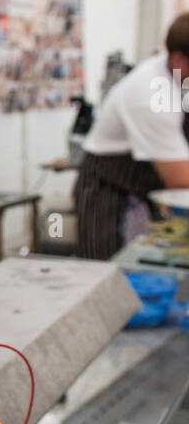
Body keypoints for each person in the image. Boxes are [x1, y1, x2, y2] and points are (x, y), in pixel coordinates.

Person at [74, 14, 189, 260]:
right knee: (107, 280)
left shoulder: (179, 74)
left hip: (148, 187)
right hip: (108, 193)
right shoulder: (152, 98)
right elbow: (181, 179)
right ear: (180, 59)